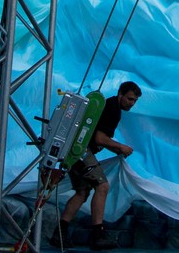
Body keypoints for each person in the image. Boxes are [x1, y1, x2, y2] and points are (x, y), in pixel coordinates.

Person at [50, 81, 142, 250]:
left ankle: (59, 233)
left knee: (82, 192)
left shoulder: (110, 105)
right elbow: (100, 138)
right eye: (130, 99)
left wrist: (115, 148)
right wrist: (120, 147)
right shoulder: (113, 109)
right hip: (80, 151)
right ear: (120, 94)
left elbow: (97, 137)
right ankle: (97, 235)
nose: (132, 103)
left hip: (72, 150)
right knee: (102, 186)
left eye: (135, 101)